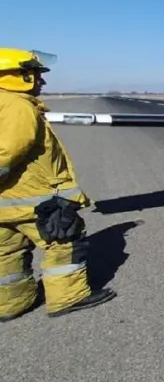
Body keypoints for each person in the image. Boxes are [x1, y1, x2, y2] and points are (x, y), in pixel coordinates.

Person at [0, 48, 117, 321]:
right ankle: (68, 297)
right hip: (34, 199)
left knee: (7, 252)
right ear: (15, 75)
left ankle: (11, 303)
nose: (41, 81)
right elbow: (8, 151)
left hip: (5, 202)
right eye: (35, 75)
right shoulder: (16, 106)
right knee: (62, 242)